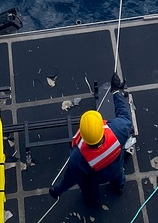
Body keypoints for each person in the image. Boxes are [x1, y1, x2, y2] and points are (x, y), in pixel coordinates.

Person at [50, 74, 133, 206]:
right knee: (119, 177)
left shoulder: (79, 157)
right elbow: (124, 115)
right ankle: (119, 188)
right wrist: (116, 91)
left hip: (94, 178)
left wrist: (57, 190)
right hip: (115, 168)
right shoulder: (117, 131)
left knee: (89, 189)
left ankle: (93, 200)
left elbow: (70, 178)